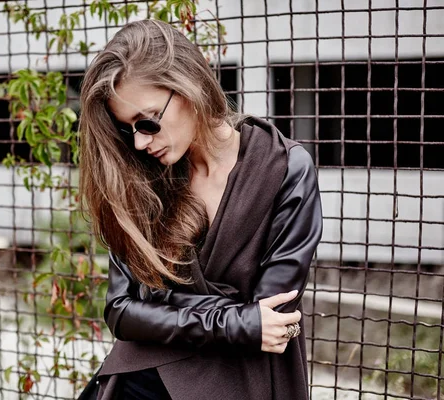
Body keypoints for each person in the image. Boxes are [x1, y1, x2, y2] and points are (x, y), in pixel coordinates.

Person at [78, 19, 322, 400]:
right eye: (129, 129)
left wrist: (160, 309)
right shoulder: (143, 180)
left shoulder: (285, 169)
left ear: (188, 87)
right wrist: (236, 320)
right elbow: (122, 311)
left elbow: (275, 317)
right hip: (138, 381)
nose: (141, 143)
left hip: (238, 382)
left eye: (148, 121)